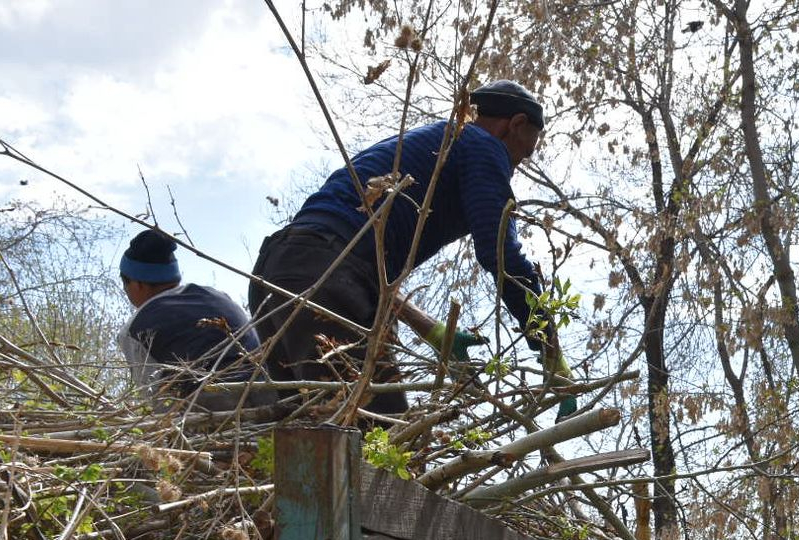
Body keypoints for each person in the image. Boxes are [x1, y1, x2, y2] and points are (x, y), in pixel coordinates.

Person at [248, 79, 571, 416]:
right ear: (515, 124)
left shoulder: (430, 143)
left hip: (276, 276)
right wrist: (549, 351)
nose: (515, 166)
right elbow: (502, 255)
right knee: (378, 444)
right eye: (523, 153)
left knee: (311, 437)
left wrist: (434, 331)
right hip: (326, 281)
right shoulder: (479, 143)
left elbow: (358, 263)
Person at [117, 230, 274, 411]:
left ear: (138, 284)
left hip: (212, 414)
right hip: (270, 396)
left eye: (125, 285)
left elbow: (156, 400)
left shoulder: (135, 327)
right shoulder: (220, 297)